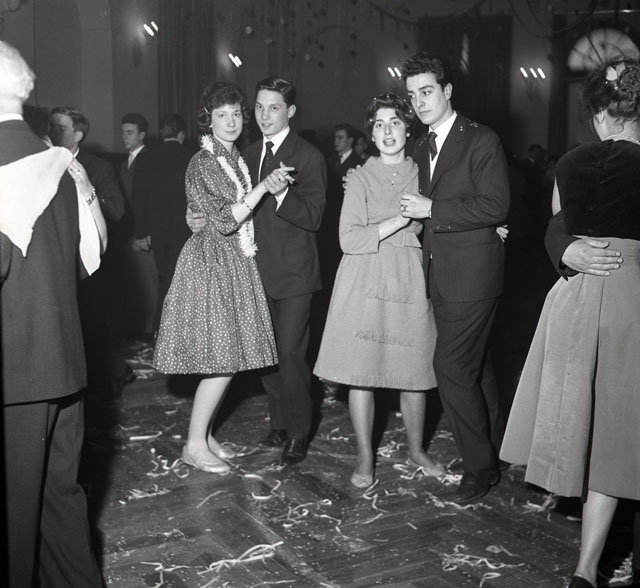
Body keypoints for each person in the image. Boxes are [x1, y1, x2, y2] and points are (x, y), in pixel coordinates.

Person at [500, 59, 640, 588]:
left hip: (575, 302)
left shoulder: (570, 163)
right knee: (622, 437)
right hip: (630, 299)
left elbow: (557, 224)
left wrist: (568, 251)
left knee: (597, 432)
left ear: (600, 114)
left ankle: (584, 569)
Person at [0, 40, 106, 587]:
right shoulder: (61, 165)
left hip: (12, 373)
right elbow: (89, 259)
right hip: (62, 364)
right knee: (58, 505)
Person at [188, 76, 327, 464]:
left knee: (292, 354)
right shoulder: (245, 154)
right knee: (266, 356)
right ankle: (279, 423)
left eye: (274, 108)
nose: (265, 116)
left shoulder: (309, 156)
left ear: (291, 111)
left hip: (295, 274)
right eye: (260, 108)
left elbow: (314, 217)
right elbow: (225, 205)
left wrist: (281, 193)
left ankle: (298, 432)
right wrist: (196, 216)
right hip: (253, 270)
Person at [153, 81, 289, 474]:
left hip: (233, 261)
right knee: (223, 360)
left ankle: (205, 434)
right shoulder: (204, 161)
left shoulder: (234, 158)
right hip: (212, 264)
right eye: (221, 115)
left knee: (226, 359)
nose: (230, 122)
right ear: (207, 121)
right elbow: (227, 219)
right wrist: (264, 188)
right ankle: (194, 445)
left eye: (235, 114)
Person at [314, 93, 443, 488]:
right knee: (362, 373)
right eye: (379, 125)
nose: (387, 132)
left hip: (408, 276)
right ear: (370, 134)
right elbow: (349, 239)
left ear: (409, 129)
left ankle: (417, 450)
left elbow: (442, 219)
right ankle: (365, 456)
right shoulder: (359, 176)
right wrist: (400, 220)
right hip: (364, 276)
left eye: (395, 123)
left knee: (414, 371)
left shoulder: (426, 174)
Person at [399, 52, 510, 504]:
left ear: (447, 91)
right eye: (413, 95)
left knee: (450, 367)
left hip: (473, 277)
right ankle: (499, 447)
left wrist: (433, 210)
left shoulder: (481, 139)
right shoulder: (421, 145)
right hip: (440, 273)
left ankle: (480, 468)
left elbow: (496, 205)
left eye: (427, 91)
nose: (419, 102)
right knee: (475, 366)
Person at [132, 113, 196, 334]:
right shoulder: (193, 157)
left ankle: (161, 332)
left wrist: (142, 232)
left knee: (164, 280)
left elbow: (137, 199)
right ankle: (173, 334)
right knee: (181, 284)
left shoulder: (146, 159)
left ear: (161, 134)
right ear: (182, 135)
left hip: (158, 232)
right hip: (187, 232)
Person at [116, 112, 158, 341]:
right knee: (135, 284)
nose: (125, 137)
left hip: (142, 233)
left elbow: (150, 201)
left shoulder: (149, 160)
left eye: (130, 133)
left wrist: (145, 233)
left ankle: (150, 332)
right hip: (128, 232)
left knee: (148, 284)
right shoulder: (125, 162)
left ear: (142, 135)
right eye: (123, 133)